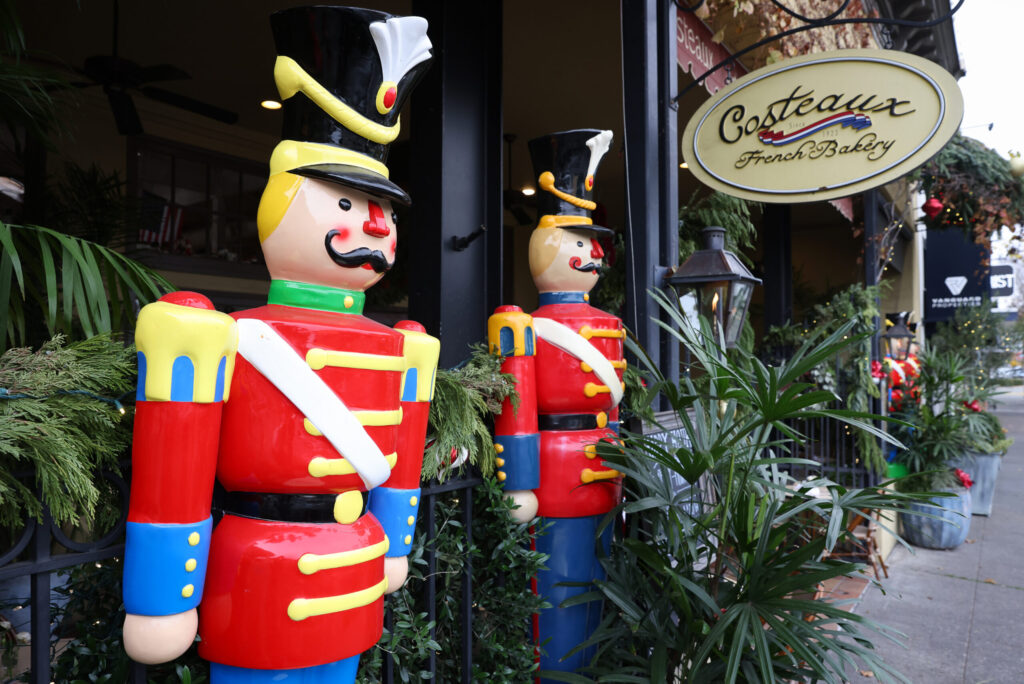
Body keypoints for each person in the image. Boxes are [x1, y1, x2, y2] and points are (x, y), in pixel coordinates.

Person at [120, 7, 437, 682]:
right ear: (281, 197)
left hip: (352, 566)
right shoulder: (218, 336)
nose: (374, 226)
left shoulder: (401, 345)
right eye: (346, 205)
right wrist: (161, 600)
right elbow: (176, 468)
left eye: (378, 211)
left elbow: (401, 456)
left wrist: (394, 544)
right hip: (263, 575)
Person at [488, 129, 624, 681]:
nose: (591, 254)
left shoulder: (608, 323)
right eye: (578, 243)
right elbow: (516, 404)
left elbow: (616, 405)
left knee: (599, 581)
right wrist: (518, 481)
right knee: (557, 588)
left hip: (606, 463)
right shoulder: (522, 326)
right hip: (556, 471)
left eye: (593, 244)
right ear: (545, 247)